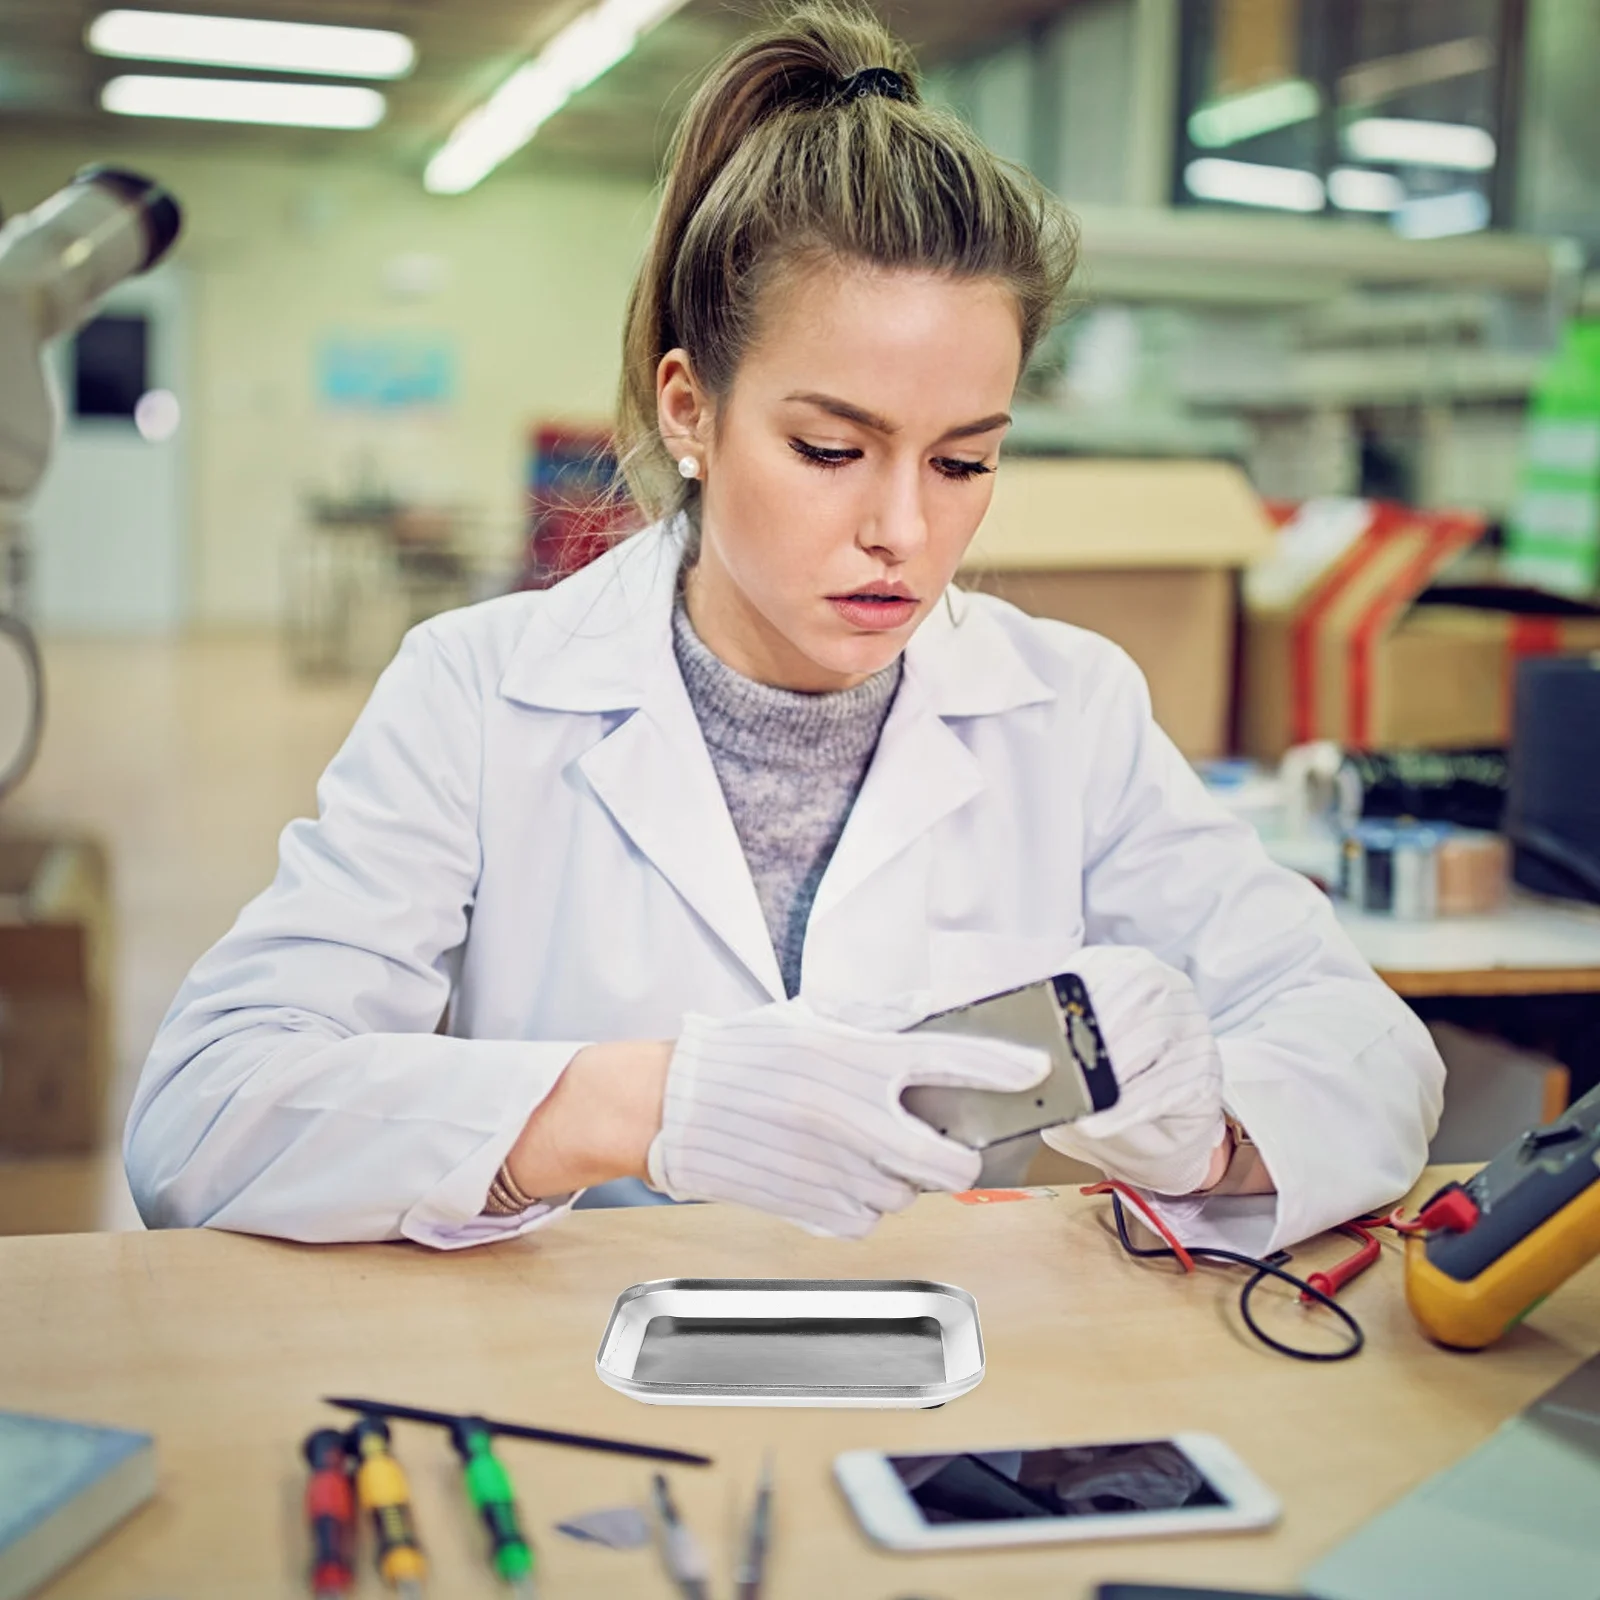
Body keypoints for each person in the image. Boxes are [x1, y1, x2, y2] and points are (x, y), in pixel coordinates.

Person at [125, 2, 1442, 1254]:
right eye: (829, 448)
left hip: (953, 1374)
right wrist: (641, 1105)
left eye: (963, 463)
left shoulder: (1069, 704)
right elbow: (205, 1115)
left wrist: (1213, 1130)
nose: (903, 532)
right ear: (689, 411)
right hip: (578, 1385)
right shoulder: (479, 692)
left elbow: (1371, 1051)